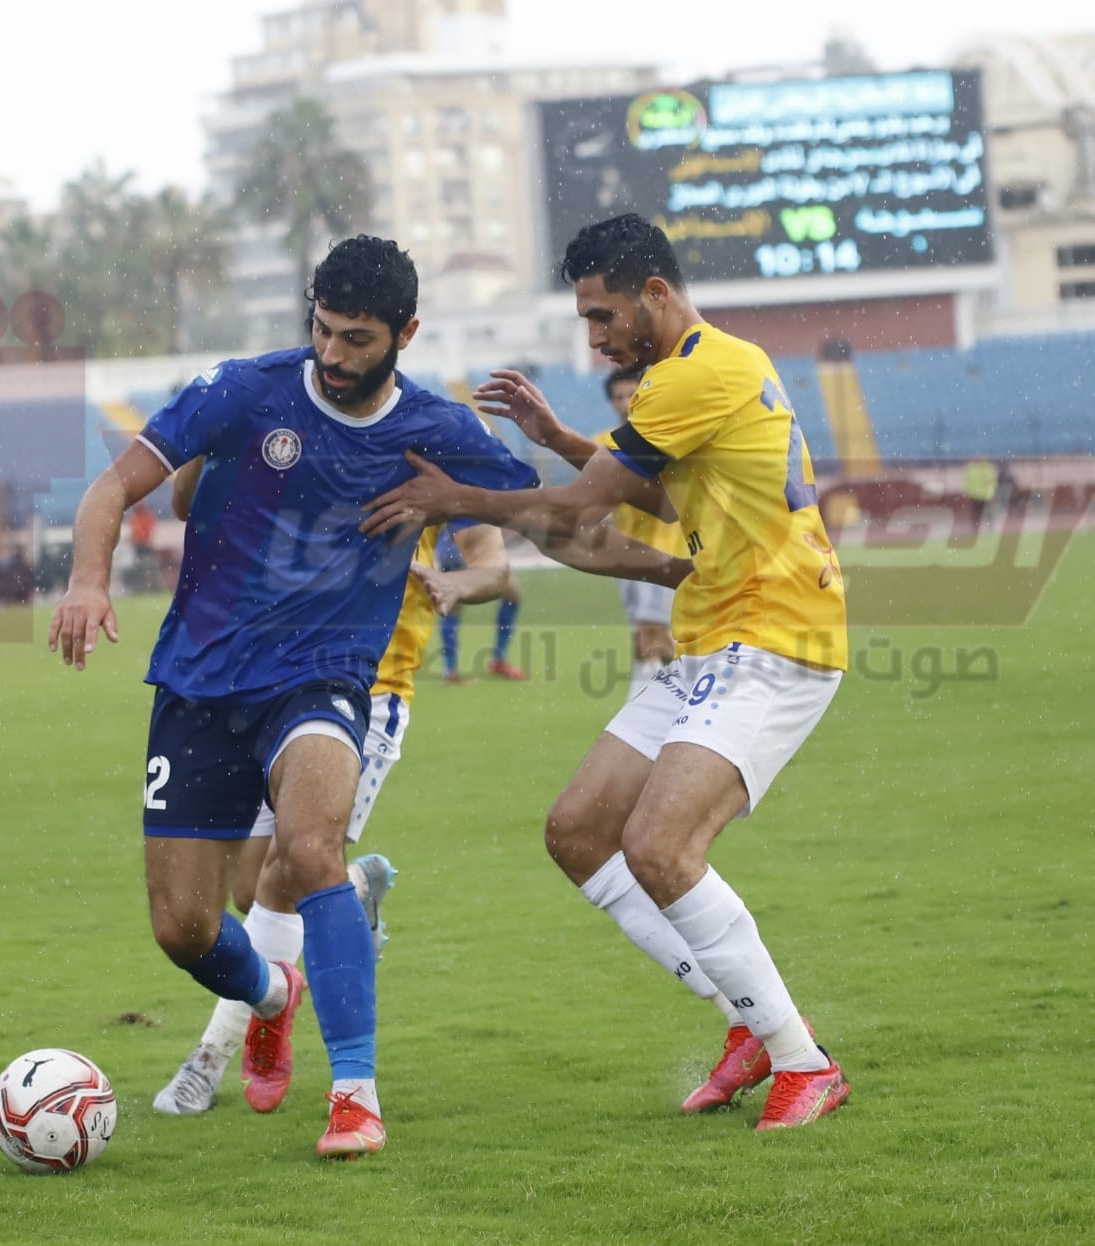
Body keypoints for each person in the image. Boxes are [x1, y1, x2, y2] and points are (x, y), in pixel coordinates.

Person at [48, 234, 681, 1159]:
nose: (333, 355)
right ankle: (273, 993)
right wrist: (87, 581)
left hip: (324, 679)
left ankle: (354, 1094)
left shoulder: (438, 431)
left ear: (404, 334)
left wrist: (677, 571)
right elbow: (115, 487)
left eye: (356, 339)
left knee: (310, 852)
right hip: (198, 680)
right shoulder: (244, 389)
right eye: (323, 331)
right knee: (184, 928)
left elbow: (560, 527)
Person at [362, 213, 851, 1131]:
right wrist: (557, 436)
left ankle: (802, 1061)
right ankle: (749, 1018)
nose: (594, 338)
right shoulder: (695, 372)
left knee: (661, 847)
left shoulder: (699, 372)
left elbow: (578, 512)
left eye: (602, 315)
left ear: (655, 294)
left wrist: (454, 497)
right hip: (713, 636)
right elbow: (661, 497)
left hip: (777, 637)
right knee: (580, 829)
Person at [153, 491, 513, 1115]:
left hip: (371, 691)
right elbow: (194, 503)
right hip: (276, 684)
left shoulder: (432, 449)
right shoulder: (288, 445)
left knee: (284, 874)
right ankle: (350, 889)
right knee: (250, 890)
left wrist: (456, 582)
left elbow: (493, 563)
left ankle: (208, 1059)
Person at [601, 366, 684, 699]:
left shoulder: (663, 438)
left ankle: (642, 701)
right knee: (648, 634)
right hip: (625, 558)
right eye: (618, 396)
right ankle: (680, 691)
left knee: (650, 631)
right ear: (611, 402)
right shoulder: (603, 443)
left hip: (663, 550)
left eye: (631, 394)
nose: (625, 402)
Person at [434, 528, 529, 682]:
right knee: (511, 595)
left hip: (452, 546)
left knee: (453, 605)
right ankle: (496, 659)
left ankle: (451, 669)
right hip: (469, 546)